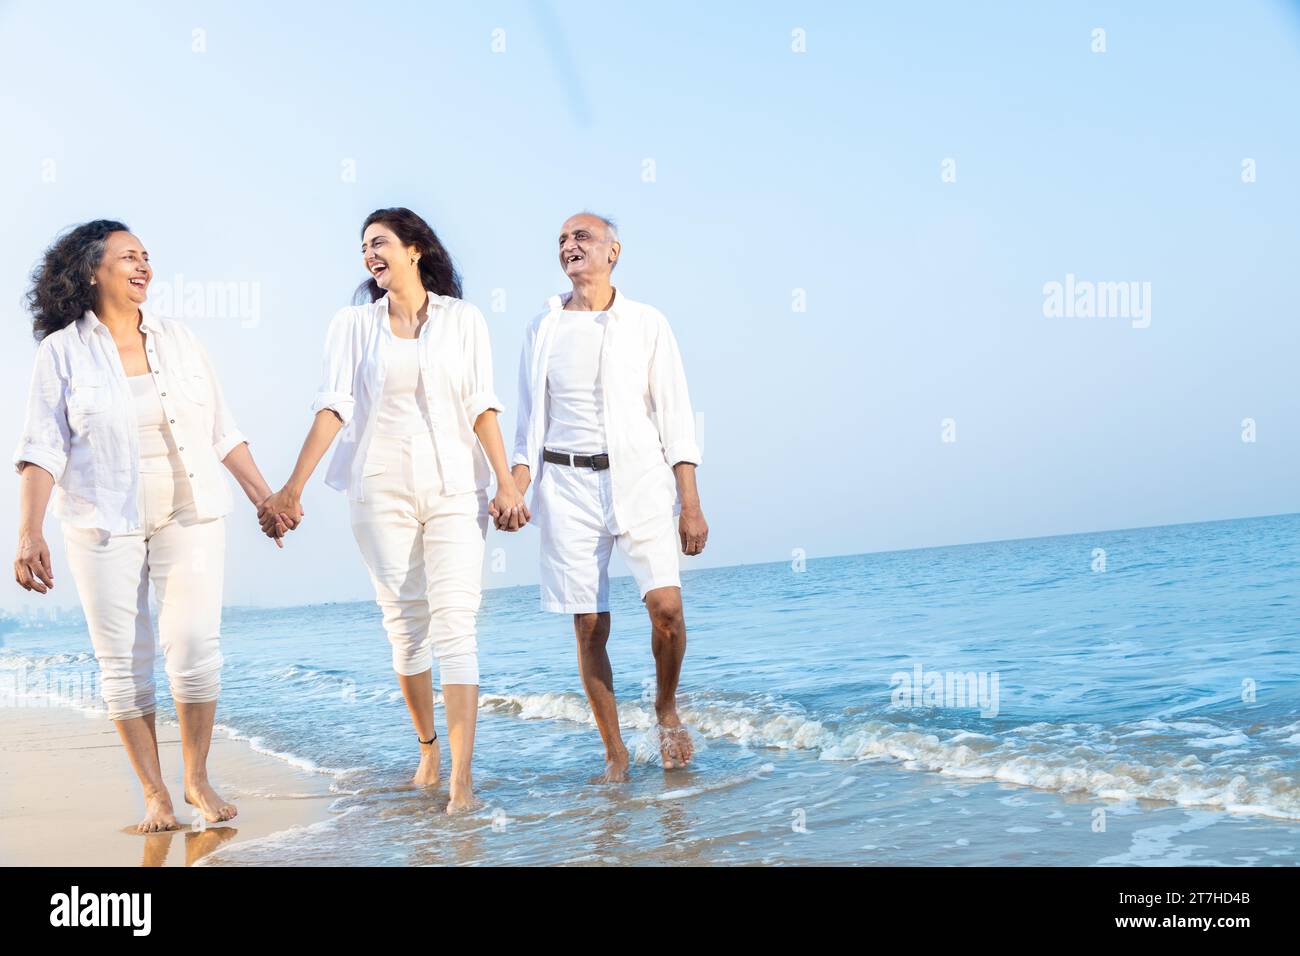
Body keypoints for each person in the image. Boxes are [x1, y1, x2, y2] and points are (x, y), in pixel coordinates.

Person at [12, 220, 285, 832]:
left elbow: (223, 430)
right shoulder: (62, 352)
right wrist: (30, 531)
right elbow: (41, 448)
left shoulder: (181, 340)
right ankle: (156, 794)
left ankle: (196, 778)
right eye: (127, 256)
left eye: (146, 256)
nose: (143, 266)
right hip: (100, 521)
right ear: (91, 270)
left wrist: (265, 498)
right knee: (122, 662)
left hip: (188, 509)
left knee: (193, 647)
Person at [258, 208, 524, 813]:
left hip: (456, 487)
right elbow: (333, 407)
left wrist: (506, 482)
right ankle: (428, 746)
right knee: (406, 628)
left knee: (457, 623)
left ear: (415, 250)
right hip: (379, 490)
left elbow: (483, 404)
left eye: (379, 243)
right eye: (363, 249)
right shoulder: (353, 325)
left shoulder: (464, 320)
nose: (369, 255)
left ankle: (461, 779)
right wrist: (292, 489)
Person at [508, 212, 708, 782]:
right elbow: (528, 426)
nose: (571, 246)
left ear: (613, 251)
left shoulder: (648, 323)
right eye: (563, 240)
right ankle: (615, 752)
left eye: (582, 237)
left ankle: (666, 707)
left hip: (641, 478)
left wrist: (689, 502)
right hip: (566, 486)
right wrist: (514, 488)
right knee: (590, 626)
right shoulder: (541, 328)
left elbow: (675, 414)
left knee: (666, 609)